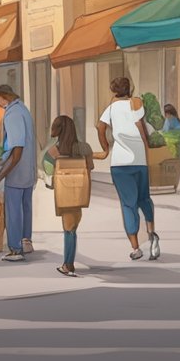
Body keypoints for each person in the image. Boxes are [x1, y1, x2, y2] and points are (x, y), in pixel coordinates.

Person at [97, 77, 160, 261]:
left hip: (120, 163)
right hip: (139, 160)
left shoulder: (110, 109)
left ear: (113, 90)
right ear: (129, 89)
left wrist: (105, 147)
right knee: (144, 199)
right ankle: (151, 233)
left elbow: (100, 128)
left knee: (128, 204)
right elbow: (142, 129)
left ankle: (136, 247)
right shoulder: (136, 104)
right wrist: (146, 150)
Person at [47, 115, 105, 277]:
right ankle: (68, 263)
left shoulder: (53, 151)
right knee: (73, 227)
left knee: (68, 229)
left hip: (63, 192)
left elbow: (47, 170)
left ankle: (68, 264)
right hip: (79, 192)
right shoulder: (84, 148)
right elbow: (90, 166)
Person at [0, 85, 36, 262]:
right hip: (28, 169)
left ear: (3, 97)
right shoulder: (23, 109)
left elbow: (17, 147)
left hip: (17, 170)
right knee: (26, 206)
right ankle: (26, 242)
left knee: (13, 210)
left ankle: (15, 249)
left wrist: (2, 173)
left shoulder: (12, 113)